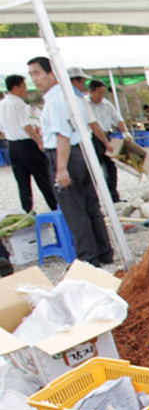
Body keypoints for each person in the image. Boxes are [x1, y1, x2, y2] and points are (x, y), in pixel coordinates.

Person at [31, 56, 114, 267]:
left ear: (52, 73)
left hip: (66, 155)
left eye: (37, 73)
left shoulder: (57, 100)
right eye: (31, 75)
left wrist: (61, 168)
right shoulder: (72, 97)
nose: (34, 79)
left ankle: (88, 258)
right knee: (90, 206)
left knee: (75, 210)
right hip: (81, 152)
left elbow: (63, 137)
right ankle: (103, 252)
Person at [0, 74, 57, 214]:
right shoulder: (18, 103)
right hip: (26, 145)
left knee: (23, 181)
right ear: (16, 87)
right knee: (43, 177)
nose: (25, 89)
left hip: (12, 146)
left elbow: (2, 128)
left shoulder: (2, 103)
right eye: (24, 86)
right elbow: (26, 125)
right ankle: (55, 206)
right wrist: (38, 141)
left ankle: (26, 210)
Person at [86, 79, 128, 203]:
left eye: (103, 93)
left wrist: (125, 132)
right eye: (99, 93)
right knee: (94, 168)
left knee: (111, 166)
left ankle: (113, 196)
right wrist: (105, 142)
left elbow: (117, 119)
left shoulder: (106, 104)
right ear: (91, 92)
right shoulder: (85, 104)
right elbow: (93, 125)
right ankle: (95, 199)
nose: (101, 96)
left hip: (107, 134)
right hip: (92, 138)